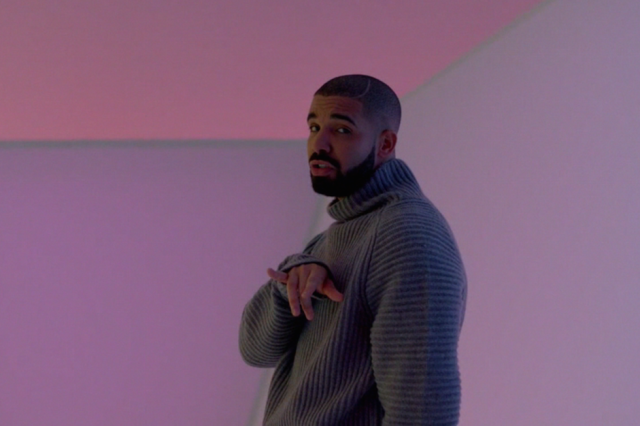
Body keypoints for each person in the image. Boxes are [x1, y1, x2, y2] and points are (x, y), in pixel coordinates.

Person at [239, 74, 467, 425]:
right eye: (314, 127)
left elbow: (424, 413)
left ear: (385, 144)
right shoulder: (334, 237)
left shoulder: (408, 235)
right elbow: (255, 350)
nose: (319, 144)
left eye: (342, 130)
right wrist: (290, 285)